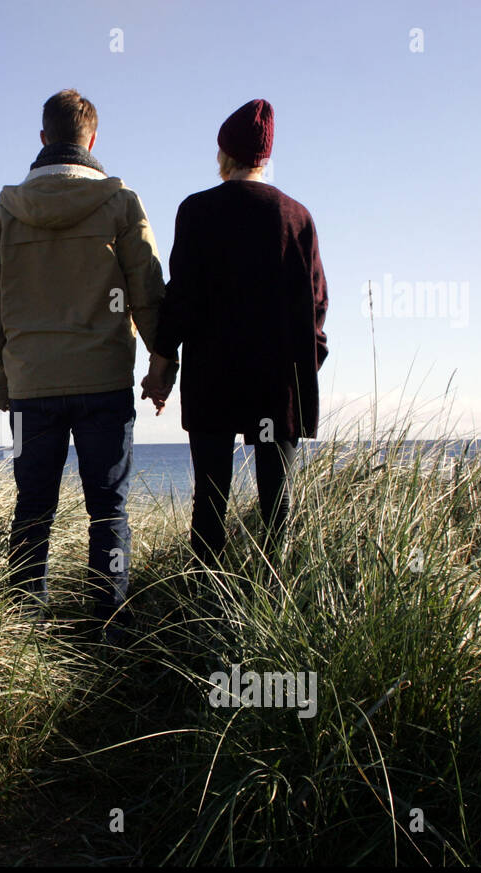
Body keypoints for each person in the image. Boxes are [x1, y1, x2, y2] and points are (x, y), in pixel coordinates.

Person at [0, 89, 165, 638]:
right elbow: (148, 291)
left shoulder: (4, 214)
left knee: (32, 508)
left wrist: (2, 385)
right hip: (103, 379)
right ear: (92, 139)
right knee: (108, 509)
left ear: (42, 139)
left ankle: (21, 631)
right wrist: (161, 363)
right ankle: (107, 626)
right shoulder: (120, 203)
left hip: (32, 385)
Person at [142, 98, 328, 569]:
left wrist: (161, 368)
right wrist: (303, 369)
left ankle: (206, 610)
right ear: (266, 156)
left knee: (209, 508)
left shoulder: (197, 211)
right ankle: (275, 610)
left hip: (213, 380)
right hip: (277, 384)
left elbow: (180, 299)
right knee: (277, 512)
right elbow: (317, 306)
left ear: (224, 153)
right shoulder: (296, 216)